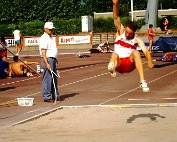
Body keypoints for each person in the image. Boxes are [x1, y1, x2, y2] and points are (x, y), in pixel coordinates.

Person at [108, 0, 154, 92]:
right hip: (119, 63)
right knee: (114, 54)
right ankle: (112, 67)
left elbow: (146, 51)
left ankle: (142, 81)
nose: (128, 35)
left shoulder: (137, 39)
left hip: (129, 63)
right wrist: (115, 4)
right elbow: (116, 17)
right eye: (127, 32)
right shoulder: (121, 31)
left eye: (130, 34)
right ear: (125, 29)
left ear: (134, 33)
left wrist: (150, 61)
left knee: (136, 52)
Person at [39, 22, 60, 102]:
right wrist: (47, 63)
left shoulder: (50, 37)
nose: (51, 30)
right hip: (48, 59)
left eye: (52, 29)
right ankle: (47, 96)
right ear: (45, 29)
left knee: (54, 78)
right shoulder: (44, 38)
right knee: (47, 78)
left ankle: (55, 95)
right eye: (50, 29)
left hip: (52, 59)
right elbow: (43, 51)